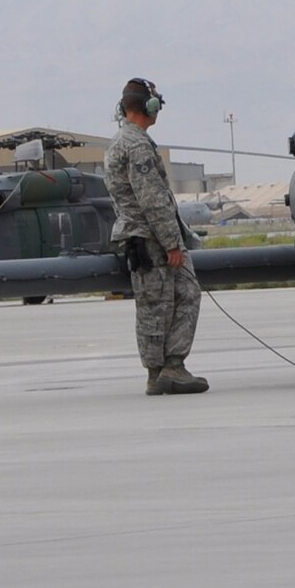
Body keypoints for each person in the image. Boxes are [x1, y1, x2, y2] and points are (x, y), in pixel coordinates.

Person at [102, 78, 208, 395]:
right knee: (179, 297)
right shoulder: (135, 145)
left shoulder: (121, 141)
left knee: (156, 305)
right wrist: (173, 243)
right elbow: (153, 199)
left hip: (139, 238)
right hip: (152, 239)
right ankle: (170, 368)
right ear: (147, 107)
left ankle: (159, 372)